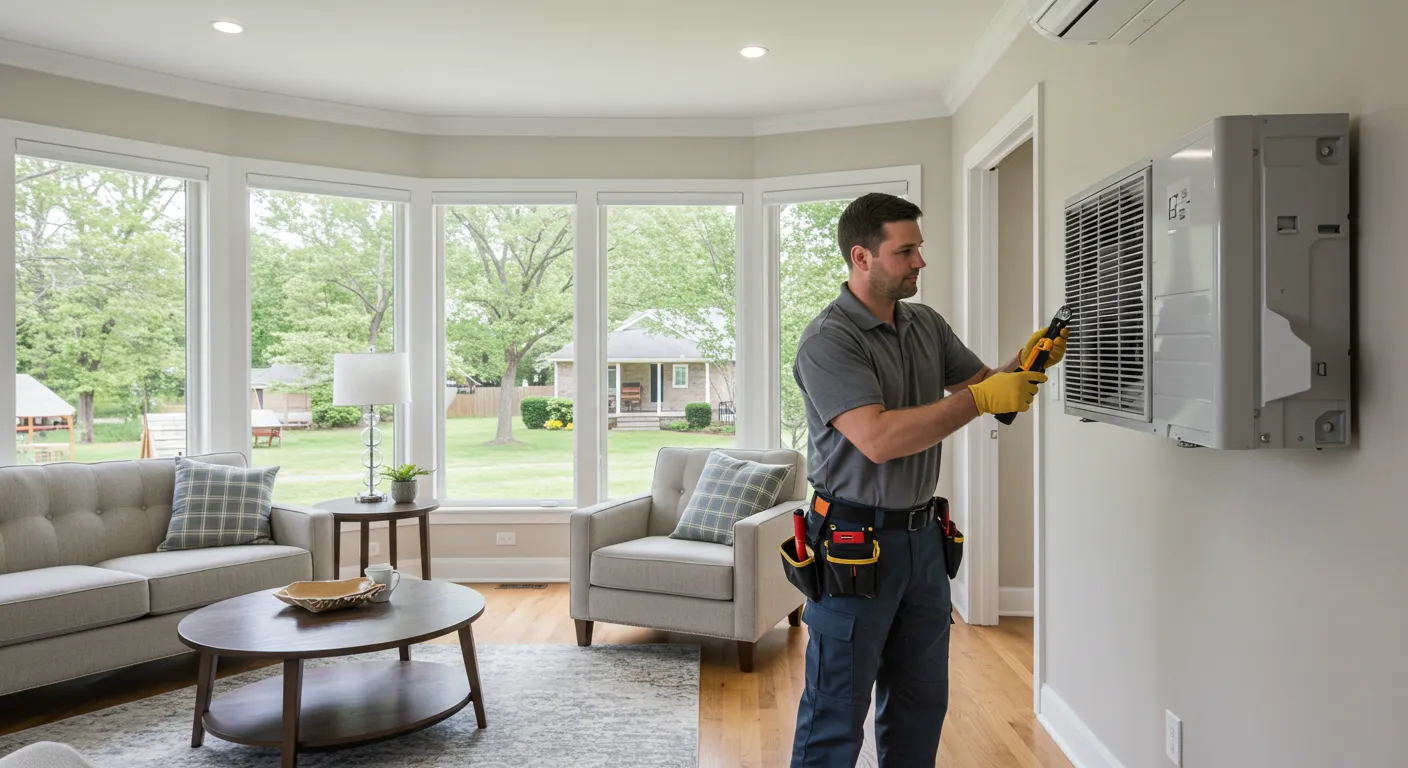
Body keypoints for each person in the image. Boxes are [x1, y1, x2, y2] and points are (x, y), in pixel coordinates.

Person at [789, 192, 1066, 767]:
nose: (920, 262)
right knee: (836, 711)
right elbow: (880, 440)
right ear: (862, 257)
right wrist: (983, 398)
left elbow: (990, 389)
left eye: (920, 248)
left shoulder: (925, 325)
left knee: (920, 704)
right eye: (906, 250)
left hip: (921, 543)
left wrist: (1030, 358)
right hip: (851, 548)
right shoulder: (829, 340)